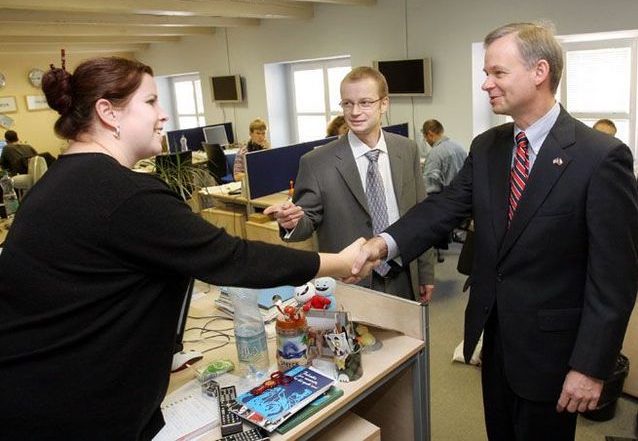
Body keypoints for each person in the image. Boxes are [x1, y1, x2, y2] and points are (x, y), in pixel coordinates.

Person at [0, 57, 375, 440]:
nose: (163, 116)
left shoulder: (60, 181)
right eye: (150, 102)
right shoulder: (122, 195)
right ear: (107, 112)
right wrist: (339, 262)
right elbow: (235, 259)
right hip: (70, 412)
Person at [352, 22, 638, 441]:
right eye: (486, 73)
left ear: (539, 72)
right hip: (495, 339)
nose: (486, 84)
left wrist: (591, 366)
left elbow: (614, 279)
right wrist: (383, 243)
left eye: (497, 73)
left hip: (554, 355)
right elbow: (443, 208)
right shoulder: (488, 147)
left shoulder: (601, 158)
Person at [264, 67, 435, 302]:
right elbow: (307, 221)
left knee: (409, 339)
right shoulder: (316, 162)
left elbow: (421, 216)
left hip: (403, 274)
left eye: (365, 102)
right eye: (347, 103)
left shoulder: (406, 149)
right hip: (350, 281)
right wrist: (291, 222)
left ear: (384, 104)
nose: (355, 112)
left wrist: (425, 273)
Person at [421, 119, 467, 194]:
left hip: (447, 199)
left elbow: (429, 187)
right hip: (464, 198)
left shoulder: (435, 154)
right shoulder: (460, 147)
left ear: (430, 134)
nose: (426, 140)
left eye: (425, 138)